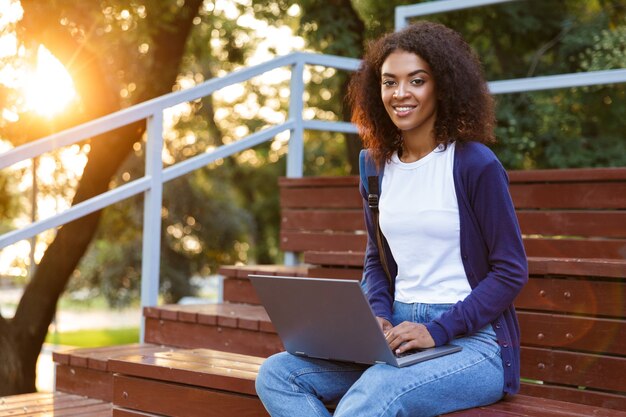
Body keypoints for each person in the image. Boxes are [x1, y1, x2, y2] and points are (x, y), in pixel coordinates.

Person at [255, 21, 528, 417]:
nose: (400, 94)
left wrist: (436, 330)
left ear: (443, 85)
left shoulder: (475, 164)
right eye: (389, 82)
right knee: (278, 374)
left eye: (416, 80)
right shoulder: (374, 167)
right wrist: (378, 316)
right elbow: (377, 262)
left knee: (377, 392)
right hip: (395, 337)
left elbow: (510, 271)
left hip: (472, 344)